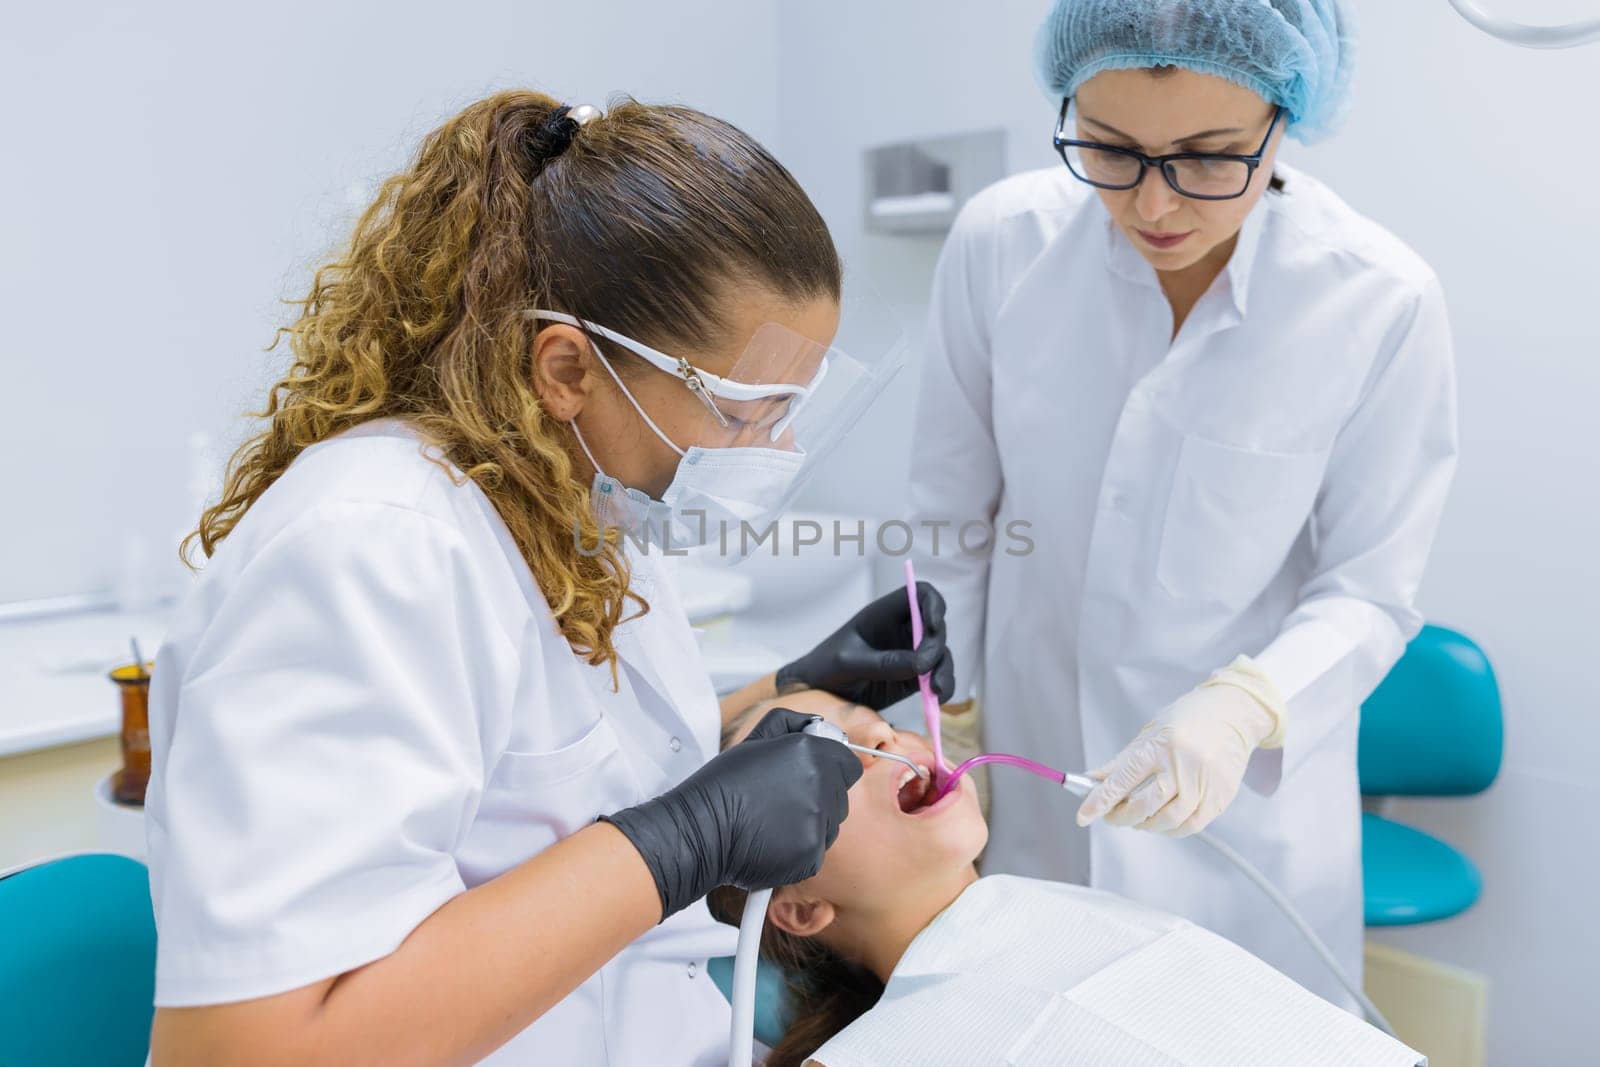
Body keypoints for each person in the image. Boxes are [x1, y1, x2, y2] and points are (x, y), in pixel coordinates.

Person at [144, 90, 954, 1066]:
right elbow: (247, 1048)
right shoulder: (371, 544)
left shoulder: (579, 499)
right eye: (746, 411)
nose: (775, 448)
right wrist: (679, 841)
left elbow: (546, 782)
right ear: (566, 368)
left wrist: (776, 697)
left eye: (794, 410)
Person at [908, 0, 1458, 1005]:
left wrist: (1247, 705)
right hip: (1035, 799)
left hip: (1245, 831)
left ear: (1283, 121)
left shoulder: (1376, 299)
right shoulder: (1002, 245)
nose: (1153, 203)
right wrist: (948, 719)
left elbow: (1370, 589)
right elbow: (948, 518)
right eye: (1110, 148)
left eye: (1207, 157)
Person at [710, 692, 1423, 1067]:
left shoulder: (1070, 912)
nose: (885, 745)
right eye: (818, 769)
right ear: (798, 908)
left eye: (869, 725)